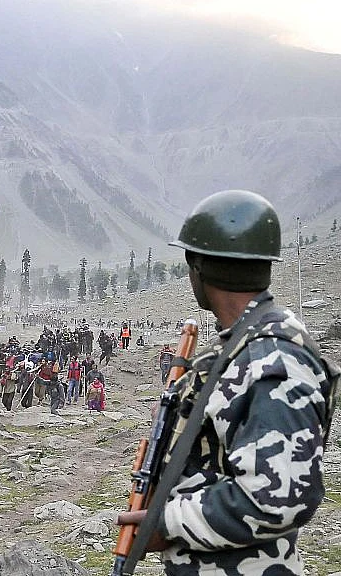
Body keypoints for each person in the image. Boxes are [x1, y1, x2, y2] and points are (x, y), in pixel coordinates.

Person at [115, 189, 337, 575]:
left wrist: (166, 525)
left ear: (197, 266)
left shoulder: (273, 359)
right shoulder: (243, 345)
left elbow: (278, 498)